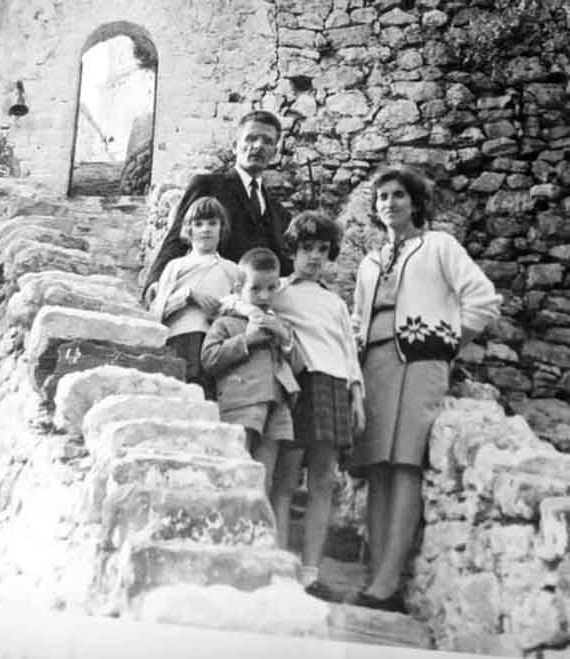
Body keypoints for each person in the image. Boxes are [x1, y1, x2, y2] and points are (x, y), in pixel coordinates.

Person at [348, 165, 502, 612]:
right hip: (374, 365)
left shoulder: (439, 246)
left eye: (398, 195)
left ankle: (389, 581)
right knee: (376, 467)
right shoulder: (370, 262)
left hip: (420, 364)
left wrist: (447, 344)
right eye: (382, 197)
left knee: (404, 465)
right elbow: (358, 320)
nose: (389, 203)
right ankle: (375, 575)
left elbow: (484, 300)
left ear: (415, 202)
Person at [267, 210, 366, 601]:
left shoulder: (334, 302)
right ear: (293, 250)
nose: (314, 257)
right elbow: (245, 304)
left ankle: (311, 571)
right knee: (286, 477)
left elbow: (348, 350)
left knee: (323, 480)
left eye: (322, 250)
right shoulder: (278, 291)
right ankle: (278, 564)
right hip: (298, 385)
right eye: (307, 248)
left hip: (334, 385)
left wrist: (357, 396)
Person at [142, 110, 292, 303]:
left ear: (274, 153)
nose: (258, 146)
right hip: (212, 298)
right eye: (251, 138)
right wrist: (155, 280)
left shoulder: (278, 211)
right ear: (235, 146)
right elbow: (177, 237)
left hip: (258, 302)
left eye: (267, 141)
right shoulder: (208, 185)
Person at [200, 247, 298, 495]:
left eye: (271, 288)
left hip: (276, 406)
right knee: (238, 471)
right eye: (255, 289)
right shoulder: (226, 322)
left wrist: (284, 338)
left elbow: (297, 366)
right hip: (241, 403)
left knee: (263, 479)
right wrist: (247, 340)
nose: (264, 296)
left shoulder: (279, 324)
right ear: (238, 289)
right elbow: (209, 358)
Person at [149, 196, 238, 399]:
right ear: (189, 229)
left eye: (212, 223)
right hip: (180, 339)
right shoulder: (176, 266)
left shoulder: (232, 270)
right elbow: (157, 311)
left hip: (215, 344)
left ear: (222, 228)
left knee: (209, 397)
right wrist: (187, 295)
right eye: (198, 224)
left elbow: (240, 307)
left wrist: (225, 309)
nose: (205, 229)